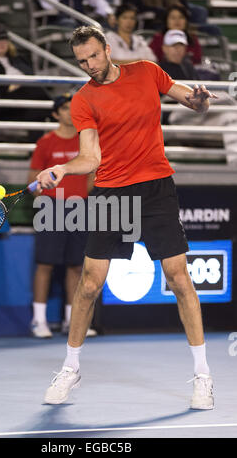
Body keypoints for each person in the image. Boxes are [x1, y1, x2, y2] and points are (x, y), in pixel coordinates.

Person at [36, 25, 217, 409]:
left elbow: (190, 99)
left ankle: (203, 376)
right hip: (111, 190)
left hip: (156, 186)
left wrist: (200, 100)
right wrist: (65, 169)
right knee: (89, 283)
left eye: (93, 56)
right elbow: (91, 158)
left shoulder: (147, 71)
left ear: (107, 48)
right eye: (81, 61)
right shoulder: (83, 100)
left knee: (179, 277)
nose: (89, 65)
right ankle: (71, 368)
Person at [28, 93, 97, 338]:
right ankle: (39, 321)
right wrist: (47, 200)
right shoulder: (46, 143)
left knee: (76, 266)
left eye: (73, 109)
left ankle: (72, 321)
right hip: (51, 207)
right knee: (45, 265)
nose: (70, 113)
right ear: (56, 114)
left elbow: (90, 178)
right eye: (65, 109)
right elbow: (33, 180)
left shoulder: (86, 143)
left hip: (79, 208)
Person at [159, 30, 237, 166]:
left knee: (231, 116)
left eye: (180, 46)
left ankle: (235, 165)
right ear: (164, 48)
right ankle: (226, 99)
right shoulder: (158, 68)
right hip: (174, 115)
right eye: (173, 46)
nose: (177, 50)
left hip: (195, 115)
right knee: (221, 97)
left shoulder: (189, 68)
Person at [0, 23, 51, 140]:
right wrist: (9, 87)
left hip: (24, 102)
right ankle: (56, 113)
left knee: (36, 112)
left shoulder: (19, 59)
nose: (1, 43)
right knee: (35, 94)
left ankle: (34, 150)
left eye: (4, 39)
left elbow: (33, 77)